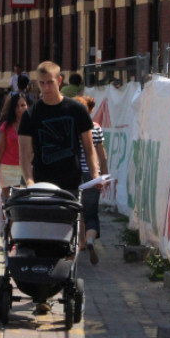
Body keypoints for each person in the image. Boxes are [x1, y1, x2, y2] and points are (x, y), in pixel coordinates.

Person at [18, 61, 98, 197]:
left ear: (59, 80)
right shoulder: (30, 114)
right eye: (42, 83)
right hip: (42, 183)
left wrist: (95, 174)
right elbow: (24, 155)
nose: (46, 88)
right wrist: (29, 181)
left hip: (71, 183)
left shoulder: (77, 110)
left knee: (73, 217)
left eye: (50, 82)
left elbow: (89, 148)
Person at [73, 95, 109, 265]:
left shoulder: (71, 128)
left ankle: (78, 243)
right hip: (92, 176)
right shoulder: (96, 128)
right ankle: (89, 240)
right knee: (91, 213)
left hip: (74, 173)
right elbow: (102, 155)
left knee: (76, 211)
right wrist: (104, 175)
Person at [0, 92, 30, 200]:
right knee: (11, 203)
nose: (20, 109)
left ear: (28, 106)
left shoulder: (32, 125)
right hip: (7, 169)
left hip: (25, 169)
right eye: (17, 106)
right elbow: (0, 149)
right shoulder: (7, 126)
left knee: (22, 202)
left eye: (23, 105)